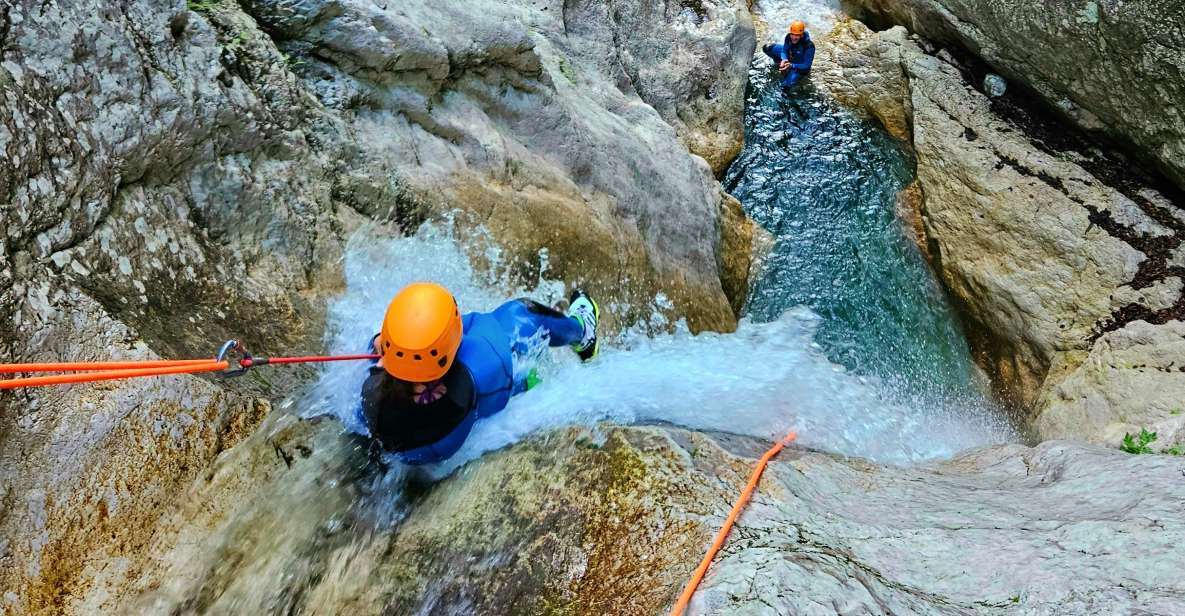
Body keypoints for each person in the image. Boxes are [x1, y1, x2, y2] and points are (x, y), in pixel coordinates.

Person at [360, 282, 599, 465]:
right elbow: (481, 327)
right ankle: (583, 334)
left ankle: (525, 381)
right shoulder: (483, 364)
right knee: (522, 313)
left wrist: (388, 346)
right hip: (461, 415)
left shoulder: (372, 390)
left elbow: (381, 353)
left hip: (411, 449)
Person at [762, 20, 814, 88]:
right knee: (768, 48)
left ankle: (791, 73)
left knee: (785, 87)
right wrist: (784, 59)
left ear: (801, 35)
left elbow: (806, 65)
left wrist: (791, 66)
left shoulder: (809, 46)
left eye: (797, 35)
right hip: (790, 57)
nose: (794, 37)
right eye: (792, 34)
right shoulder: (788, 37)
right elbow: (784, 50)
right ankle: (779, 62)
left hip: (798, 66)